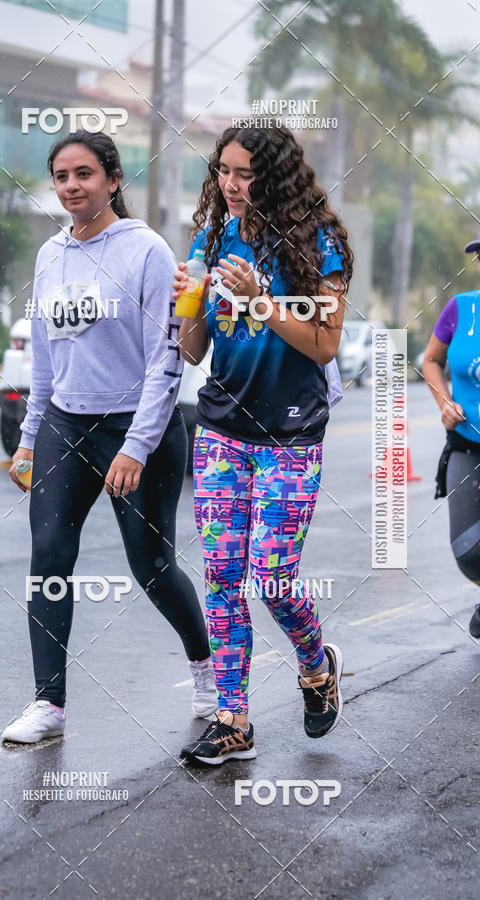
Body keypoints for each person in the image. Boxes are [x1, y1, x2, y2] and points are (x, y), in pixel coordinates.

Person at [2, 131, 216, 743]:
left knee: (152, 568)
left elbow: (167, 359)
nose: (72, 186)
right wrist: (28, 437)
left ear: (113, 180)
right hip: (66, 425)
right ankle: (49, 706)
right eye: (62, 176)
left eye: (84, 174)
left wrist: (136, 445)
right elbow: (45, 359)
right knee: (48, 559)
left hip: (136, 428)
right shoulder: (50, 256)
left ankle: (207, 670)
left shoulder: (145, 250)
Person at [173, 125, 354, 766]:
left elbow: (325, 342)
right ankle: (233, 721)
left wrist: (262, 298)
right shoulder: (213, 237)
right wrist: (188, 306)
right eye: (222, 170)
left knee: (273, 581)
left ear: (274, 176)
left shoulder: (318, 242)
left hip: (292, 434)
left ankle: (315, 665)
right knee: (222, 579)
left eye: (244, 173)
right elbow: (194, 349)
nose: (230, 184)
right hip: (222, 428)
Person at [423, 232, 480, 640]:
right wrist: (444, 402)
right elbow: (430, 360)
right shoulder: (461, 309)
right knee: (468, 550)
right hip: (466, 443)